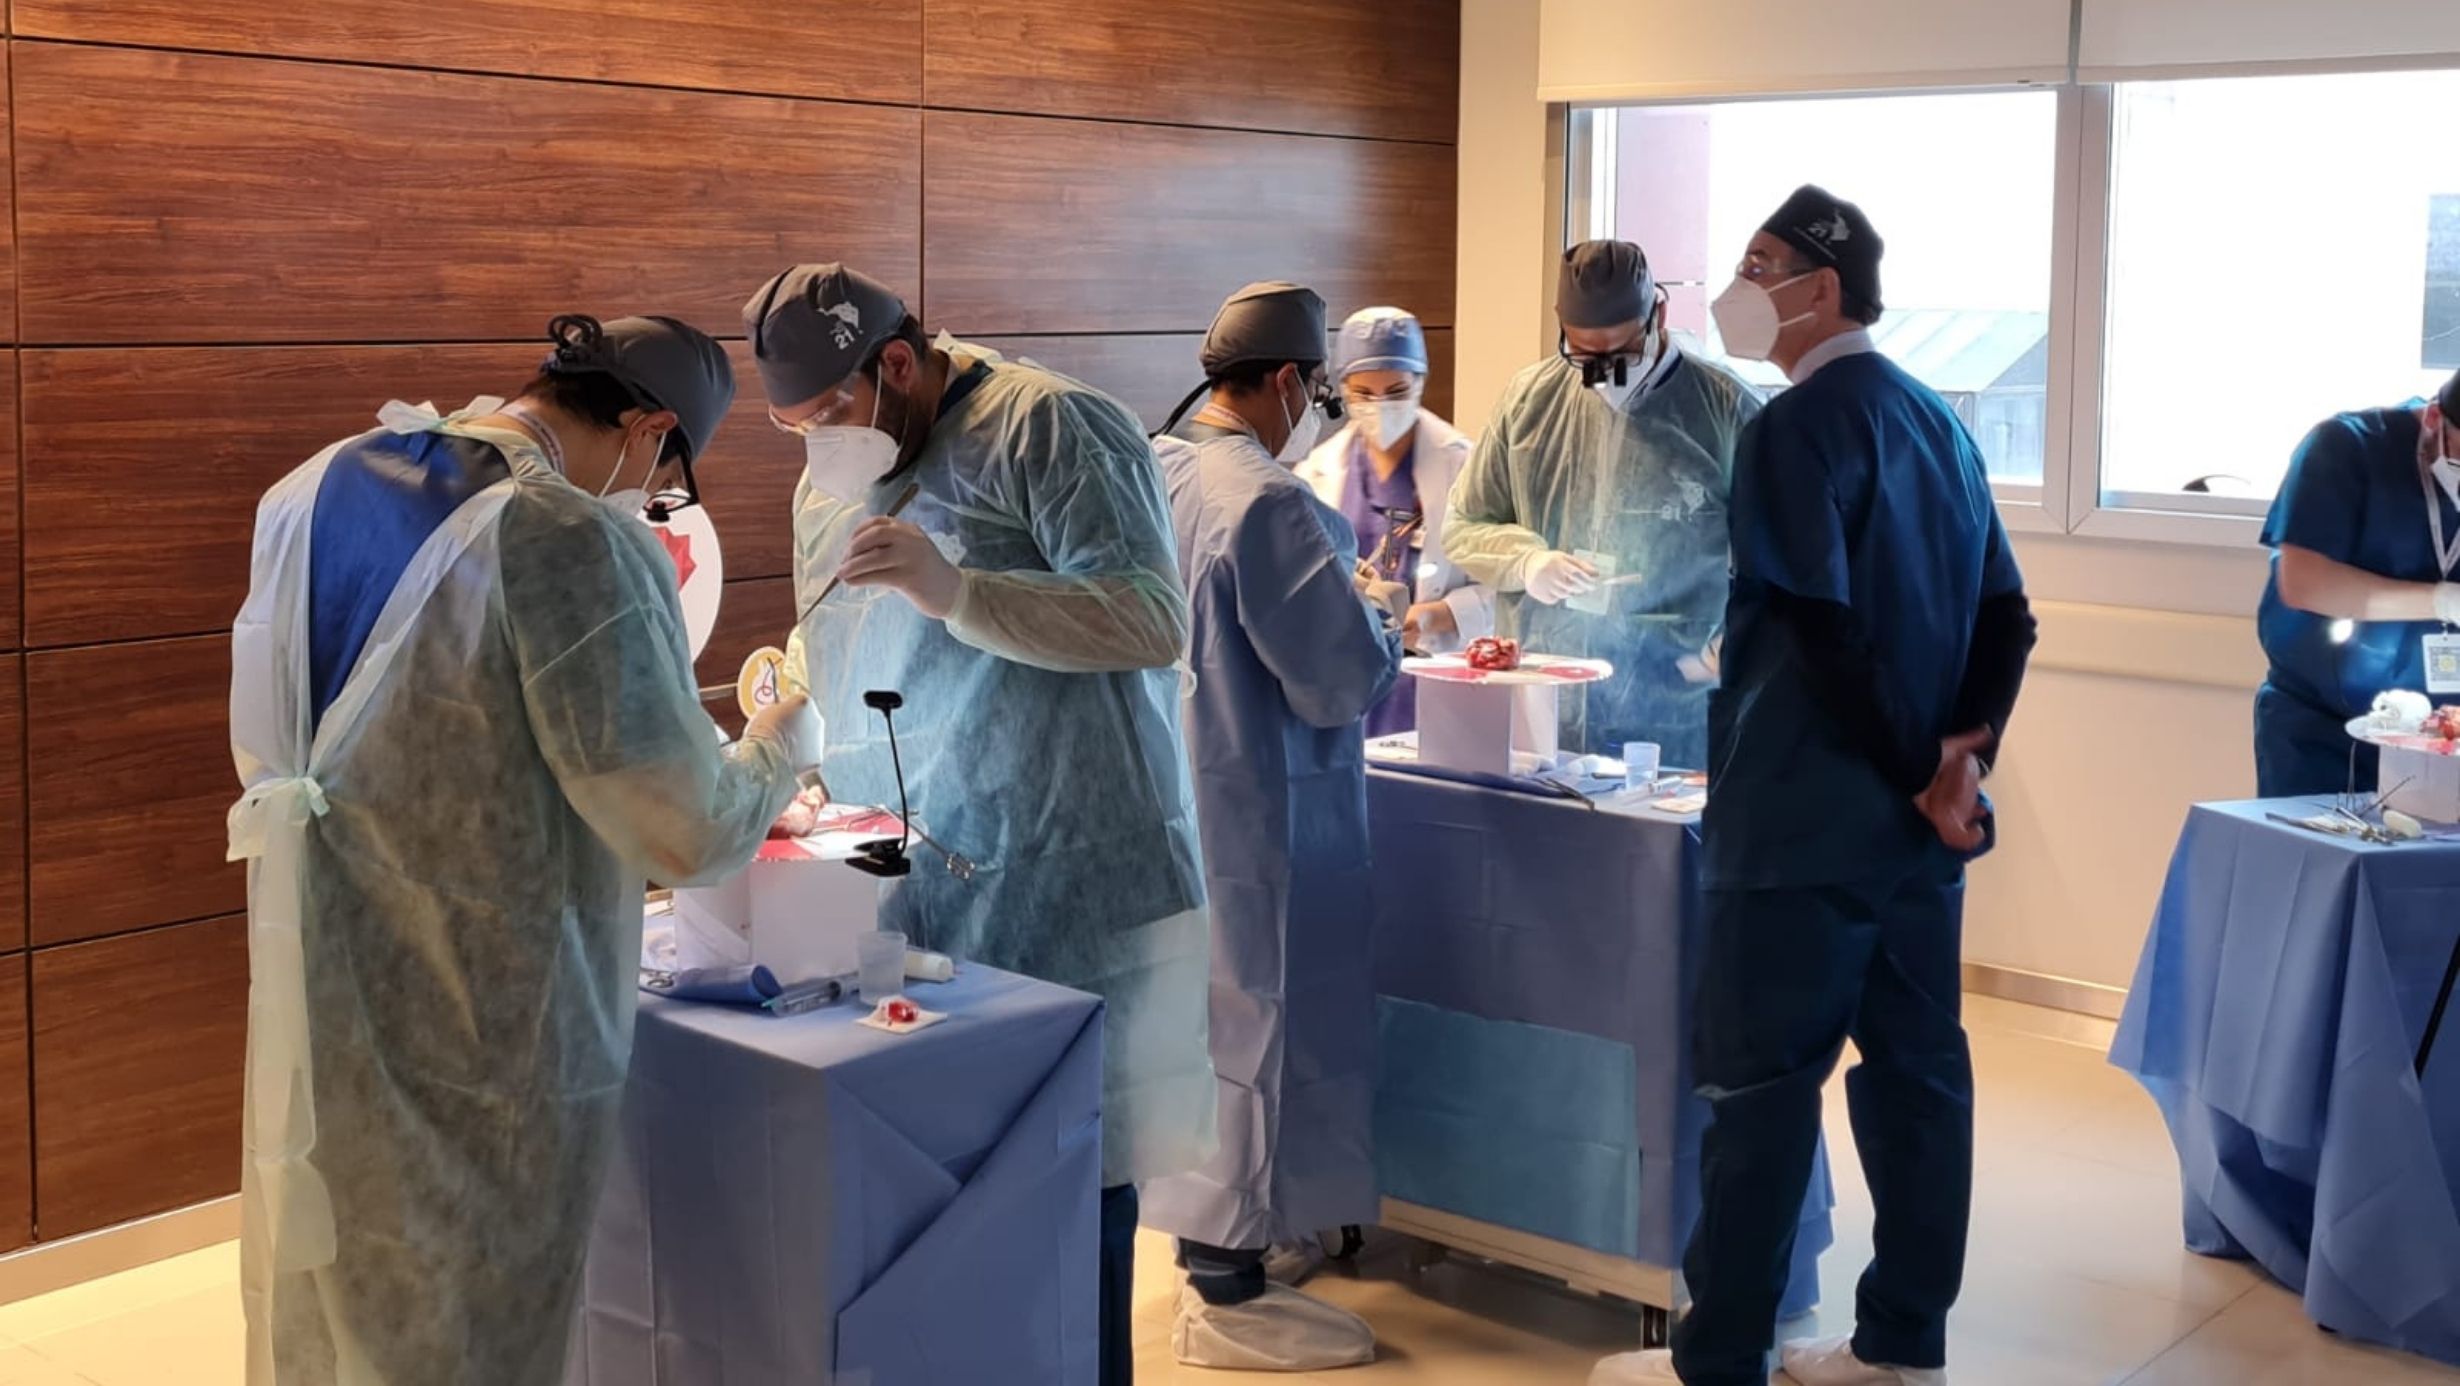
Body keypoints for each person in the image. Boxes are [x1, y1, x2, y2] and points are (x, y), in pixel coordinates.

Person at [227, 314, 821, 1384]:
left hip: (325, 960)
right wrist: (780, 746)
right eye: (667, 476)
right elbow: (684, 824)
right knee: (473, 1308)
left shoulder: (313, 486)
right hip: (488, 1015)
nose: (651, 497)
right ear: (650, 430)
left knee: (339, 1278)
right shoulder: (567, 537)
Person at [1594, 188, 2037, 1386]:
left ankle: (1722, 1358)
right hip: (1915, 845)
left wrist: (1919, 766)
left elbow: (1818, 629)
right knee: (1918, 1081)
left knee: (1760, 1094)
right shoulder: (1935, 422)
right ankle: (1901, 1347)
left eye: (1759, 265)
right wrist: (1961, 762)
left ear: (1822, 288)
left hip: (1800, 828)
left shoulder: (1795, 428)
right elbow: (2008, 617)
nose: (1736, 288)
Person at [746, 263, 1216, 1386]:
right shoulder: (836, 472)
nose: (819, 443)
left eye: (830, 412)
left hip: (1067, 872)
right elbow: (836, 627)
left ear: (898, 364)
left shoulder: (1053, 427)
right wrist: (792, 717)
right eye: (794, 426)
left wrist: (961, 593)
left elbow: (1150, 617)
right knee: (936, 1195)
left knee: (1068, 1186)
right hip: (908, 872)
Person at [1143, 283, 1402, 1372]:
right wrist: (1379, 614)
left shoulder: (1153, 468)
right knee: (1260, 1023)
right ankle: (1226, 1282)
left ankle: (1219, 1235)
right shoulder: (1267, 502)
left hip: (1168, 800)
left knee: (1194, 1030)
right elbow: (1336, 679)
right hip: (1255, 810)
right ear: (1292, 381)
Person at [1443, 239, 1761, 766]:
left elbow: (1780, 560)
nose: (1604, 373)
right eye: (1584, 356)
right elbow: (1465, 523)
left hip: (1674, 710)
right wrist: (1525, 561)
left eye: (1621, 354)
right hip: (1544, 703)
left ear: (1659, 315)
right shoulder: (1530, 401)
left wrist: (1733, 646)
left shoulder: (1728, 412)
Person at [2254, 368, 2460, 796]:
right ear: (2434, 420)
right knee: (2320, 839)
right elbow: (2305, 582)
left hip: (2443, 739)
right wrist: (2442, 601)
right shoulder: (2345, 447)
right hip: (2323, 731)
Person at [1298, 306, 1492, 736]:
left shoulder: (1464, 466)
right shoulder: (1317, 473)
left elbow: (1508, 587)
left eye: (1396, 390)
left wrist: (1440, 615)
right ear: (1342, 390)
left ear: (1420, 381)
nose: (1380, 405)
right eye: (1364, 393)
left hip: (1432, 680)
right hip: (1349, 683)